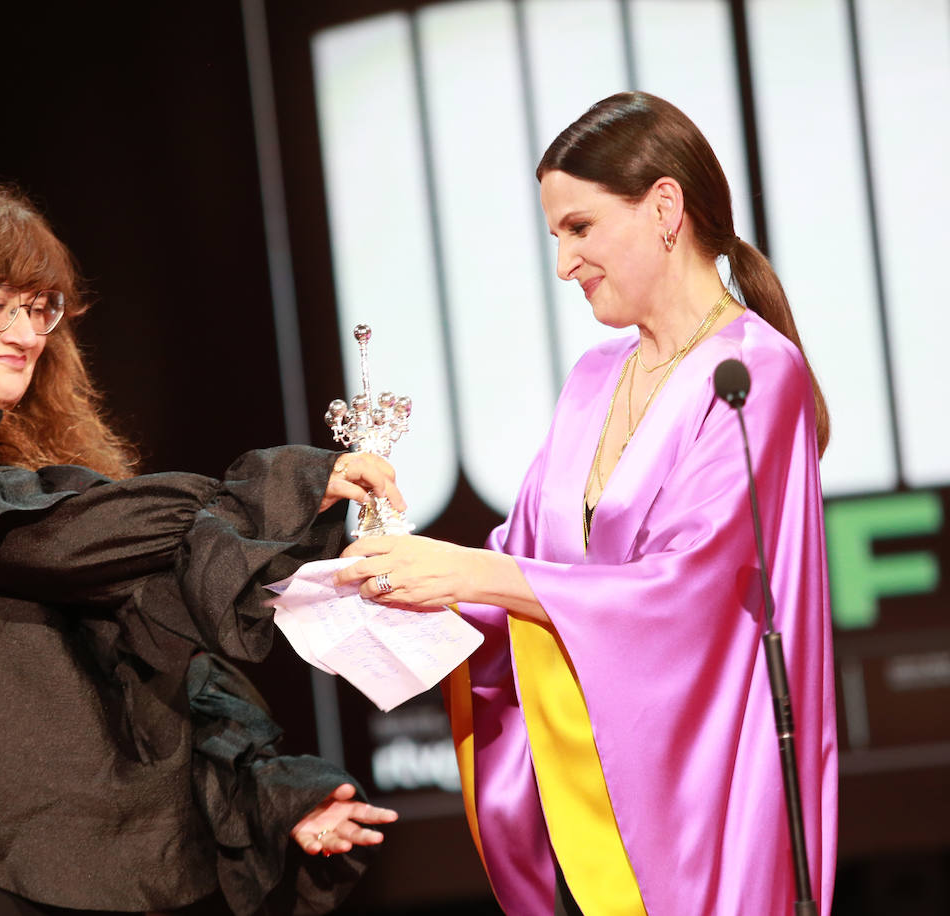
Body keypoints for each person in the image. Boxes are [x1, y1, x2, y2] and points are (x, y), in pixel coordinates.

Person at [0, 181, 400, 916]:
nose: (26, 333)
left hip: (51, 877)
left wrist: (273, 791)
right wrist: (269, 492)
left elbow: (159, 674)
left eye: (40, 308)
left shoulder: (34, 484)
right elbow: (46, 535)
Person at [337, 92, 837, 915]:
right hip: (580, 799)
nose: (564, 263)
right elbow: (518, 565)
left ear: (665, 207)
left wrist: (466, 571)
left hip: (693, 811)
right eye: (556, 237)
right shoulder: (593, 379)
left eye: (580, 228)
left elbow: (692, 594)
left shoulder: (756, 373)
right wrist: (397, 574)